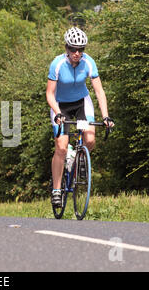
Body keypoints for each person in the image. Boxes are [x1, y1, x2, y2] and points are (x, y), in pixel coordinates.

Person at [46, 27, 115, 207]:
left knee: (90, 140)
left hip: (81, 103)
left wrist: (106, 116)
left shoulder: (89, 62)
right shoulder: (57, 64)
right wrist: (58, 113)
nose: (77, 53)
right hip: (60, 105)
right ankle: (56, 190)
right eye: (73, 49)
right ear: (66, 48)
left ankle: (77, 159)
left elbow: (99, 92)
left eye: (81, 49)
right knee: (61, 146)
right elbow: (49, 94)